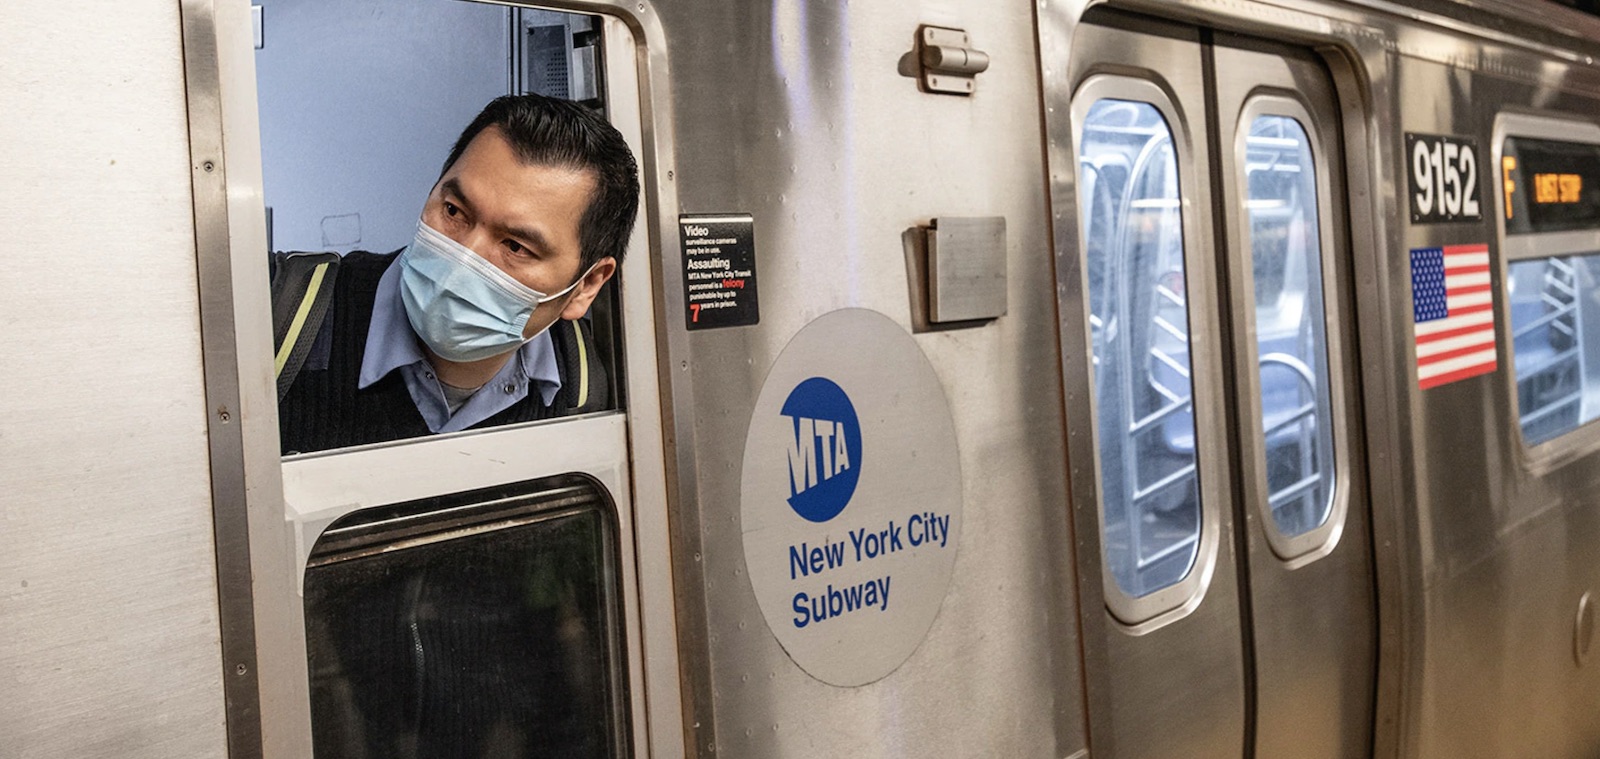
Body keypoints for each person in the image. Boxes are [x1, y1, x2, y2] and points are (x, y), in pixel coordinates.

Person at [274, 93, 639, 454]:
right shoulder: (280, 317)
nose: (464, 258)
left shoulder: (580, 392)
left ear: (586, 286)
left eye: (515, 246)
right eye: (453, 211)